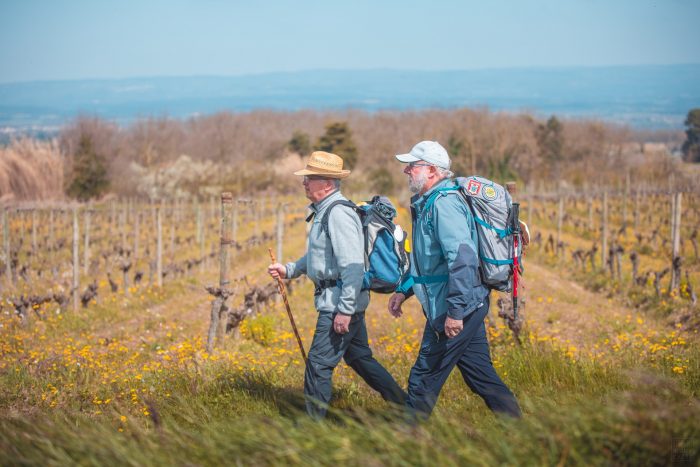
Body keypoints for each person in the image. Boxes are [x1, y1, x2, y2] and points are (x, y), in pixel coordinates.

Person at [388, 140, 521, 419]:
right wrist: (404, 290)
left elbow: (462, 260)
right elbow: (429, 263)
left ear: (433, 171)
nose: (406, 171)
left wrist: (456, 312)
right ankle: (517, 428)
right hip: (462, 304)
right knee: (480, 376)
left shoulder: (444, 205)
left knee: (423, 378)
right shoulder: (429, 203)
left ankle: (405, 441)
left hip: (456, 307)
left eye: (412, 166)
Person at [268, 150, 406, 418]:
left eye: (310, 178)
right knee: (359, 359)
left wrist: (345, 309)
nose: (304, 183)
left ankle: (313, 425)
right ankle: (406, 407)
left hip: (339, 302)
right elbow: (320, 256)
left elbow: (353, 265)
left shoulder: (338, 214)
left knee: (318, 364)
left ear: (328, 184)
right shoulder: (325, 211)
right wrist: (289, 270)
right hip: (343, 300)